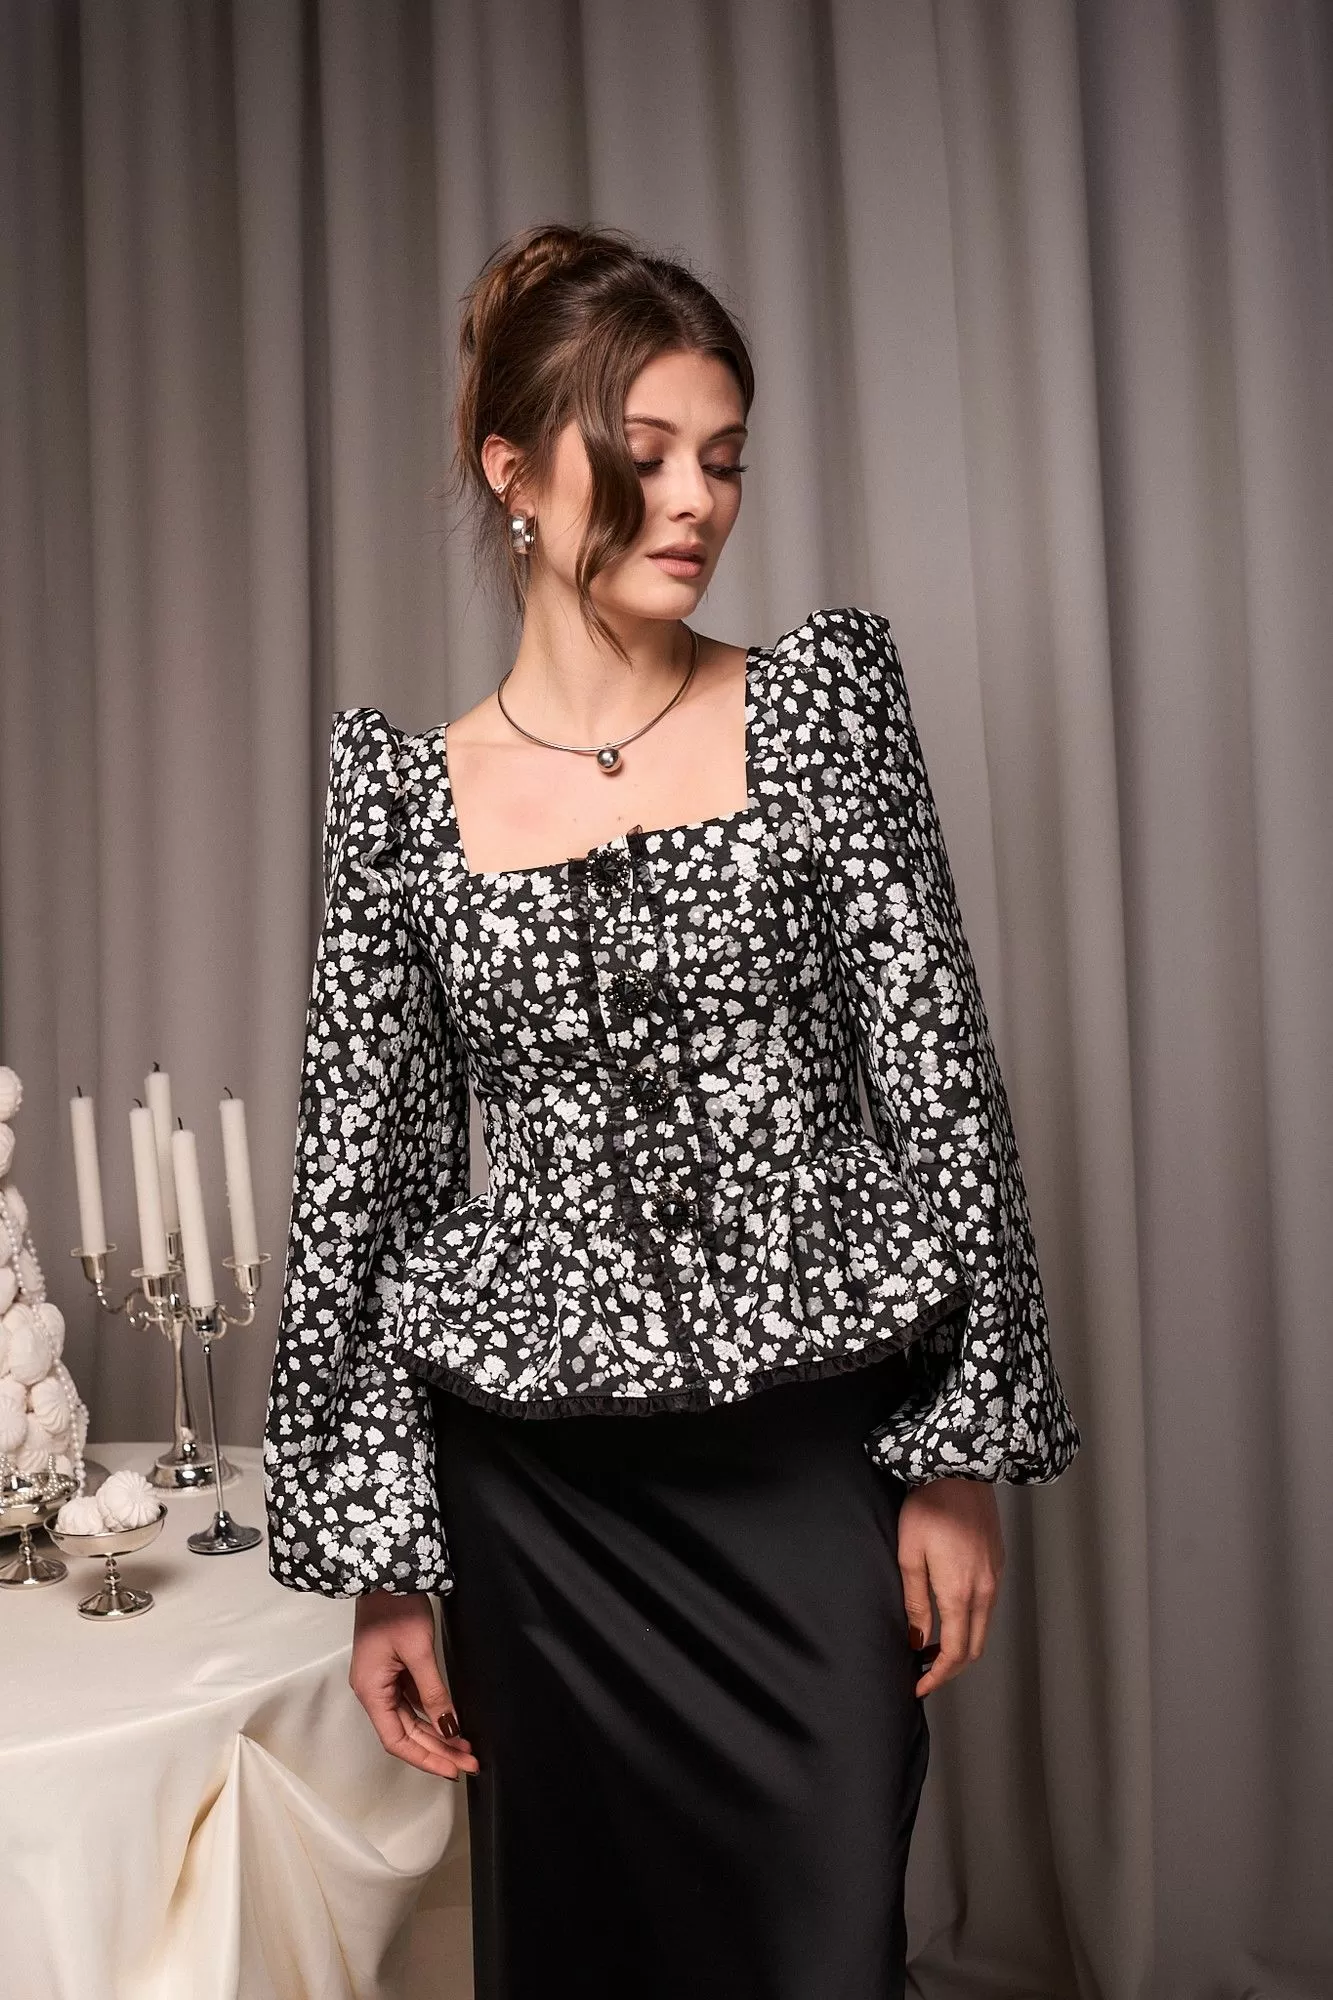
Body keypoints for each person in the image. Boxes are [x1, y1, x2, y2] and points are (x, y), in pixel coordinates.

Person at [263, 221, 1080, 2000]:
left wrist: (957, 1451)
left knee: (821, 1949)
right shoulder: (403, 801)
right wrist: (387, 1568)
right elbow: (365, 1196)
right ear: (513, 472)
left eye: (724, 457)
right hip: (538, 1512)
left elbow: (942, 1082)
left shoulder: (819, 710)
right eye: (645, 455)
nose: (699, 500)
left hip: (804, 1466)